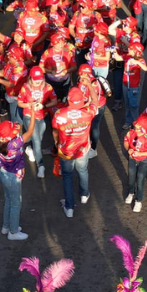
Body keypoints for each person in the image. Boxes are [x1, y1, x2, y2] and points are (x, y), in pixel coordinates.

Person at [0, 110, 35, 240]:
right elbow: (30, 132)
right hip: (13, 178)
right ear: (10, 135)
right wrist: (34, 113)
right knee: (15, 204)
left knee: (8, 200)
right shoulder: (14, 144)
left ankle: (6, 226)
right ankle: (13, 232)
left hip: (3, 173)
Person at [53, 87, 97, 218]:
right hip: (82, 149)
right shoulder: (88, 112)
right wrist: (89, 84)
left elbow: (55, 130)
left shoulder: (59, 114)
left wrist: (56, 142)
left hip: (66, 151)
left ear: (69, 99)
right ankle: (84, 195)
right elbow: (95, 100)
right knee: (83, 170)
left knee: (67, 176)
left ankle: (69, 207)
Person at [17, 66, 59, 179]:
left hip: (42, 116)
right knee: (36, 140)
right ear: (31, 78)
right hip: (29, 116)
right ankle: (41, 166)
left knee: (39, 138)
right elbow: (19, 103)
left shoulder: (48, 87)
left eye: (40, 79)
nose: (37, 81)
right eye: (35, 79)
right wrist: (29, 105)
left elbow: (54, 101)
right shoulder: (25, 88)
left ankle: (29, 148)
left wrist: (43, 105)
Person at [122, 114, 147, 212]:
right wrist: (128, 149)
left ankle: (138, 200)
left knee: (140, 179)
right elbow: (125, 141)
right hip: (132, 159)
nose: (135, 129)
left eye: (138, 128)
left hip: (143, 160)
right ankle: (131, 192)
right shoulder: (130, 133)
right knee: (131, 177)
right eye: (136, 127)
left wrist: (141, 153)